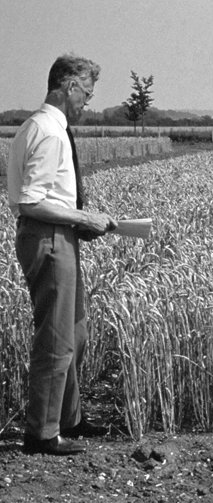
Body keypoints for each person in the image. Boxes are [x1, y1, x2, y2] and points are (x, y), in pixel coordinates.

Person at [7, 54, 117, 455]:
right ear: (69, 87)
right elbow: (31, 201)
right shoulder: (50, 133)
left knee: (76, 332)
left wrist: (78, 220)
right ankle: (42, 433)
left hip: (56, 235)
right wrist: (82, 216)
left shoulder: (37, 127)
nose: (87, 101)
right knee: (56, 339)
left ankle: (69, 417)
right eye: (86, 93)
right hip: (49, 238)